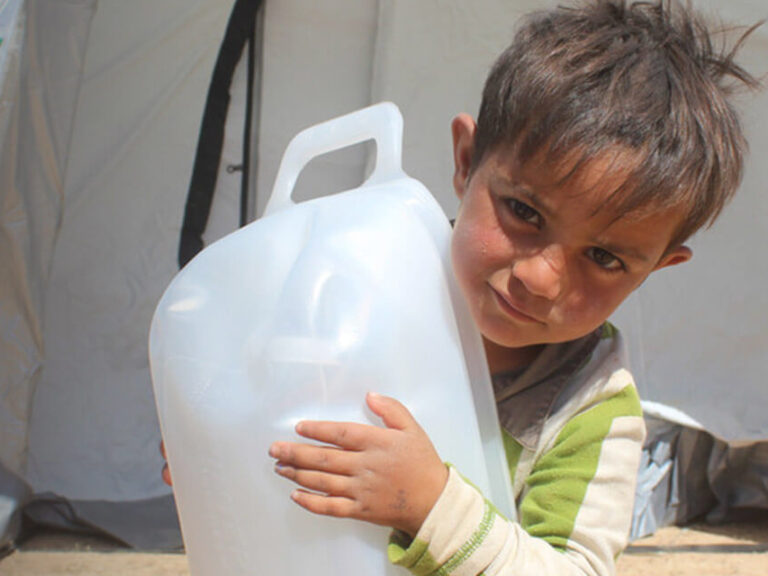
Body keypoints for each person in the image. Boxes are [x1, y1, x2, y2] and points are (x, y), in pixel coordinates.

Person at [164, 1, 759, 574]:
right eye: (524, 212)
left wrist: (432, 505)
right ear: (466, 159)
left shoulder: (590, 411)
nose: (540, 277)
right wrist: (224, 450)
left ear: (656, 267)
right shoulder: (355, 287)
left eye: (603, 257)